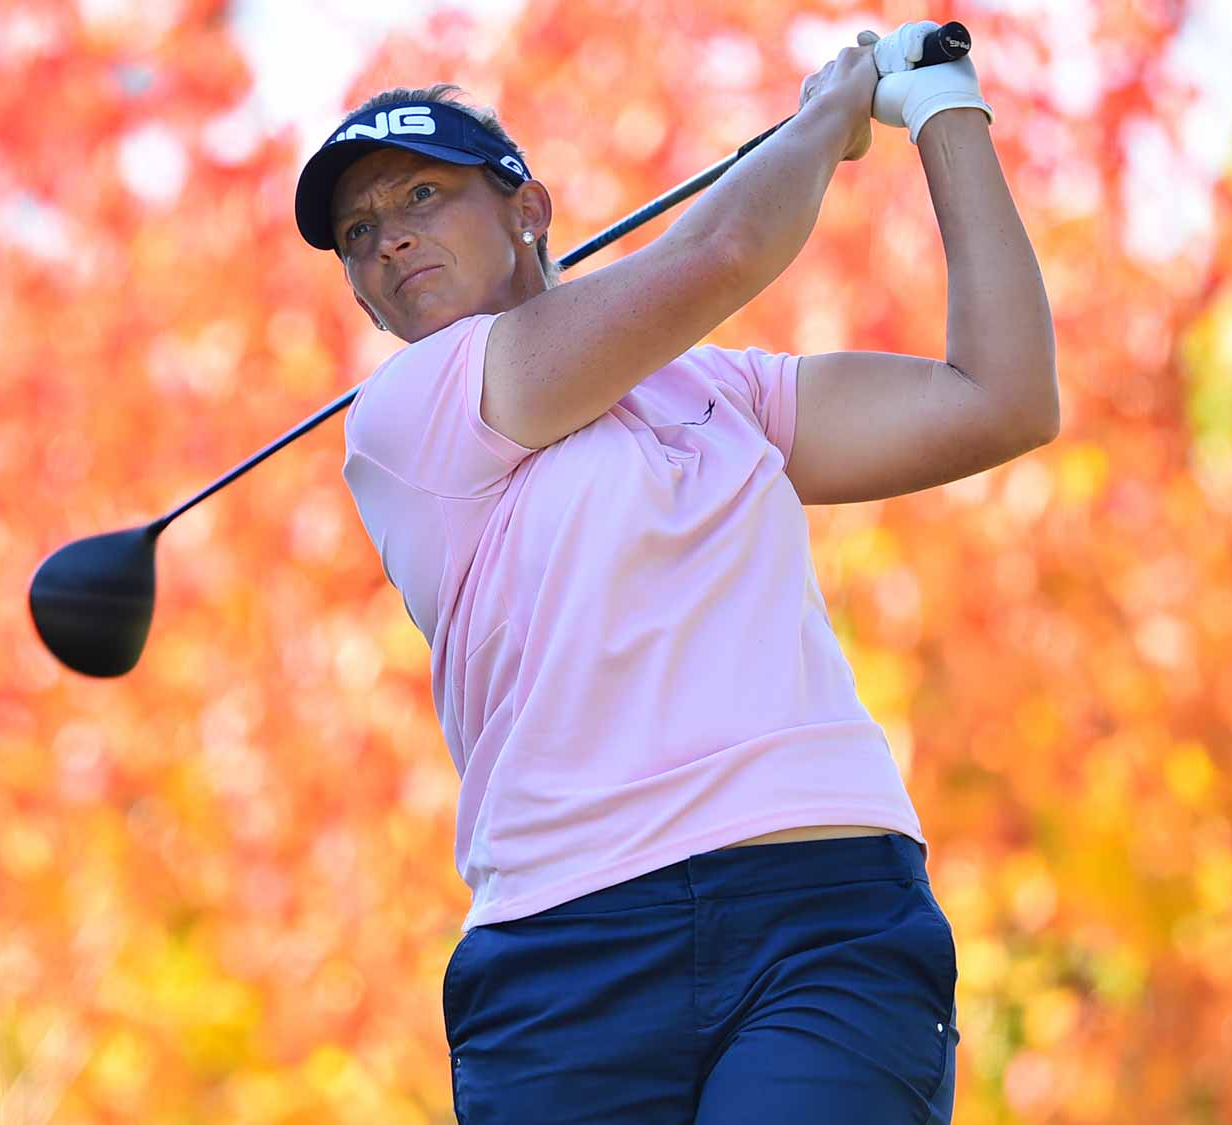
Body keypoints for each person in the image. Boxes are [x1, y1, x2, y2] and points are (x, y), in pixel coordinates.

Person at [293, 20, 1055, 1124]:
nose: (387, 242)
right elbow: (723, 254)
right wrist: (824, 120)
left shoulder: (719, 393)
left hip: (821, 916)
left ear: (527, 211)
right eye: (358, 232)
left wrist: (942, 108)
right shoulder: (404, 422)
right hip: (566, 961)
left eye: (420, 198)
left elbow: (1002, 398)